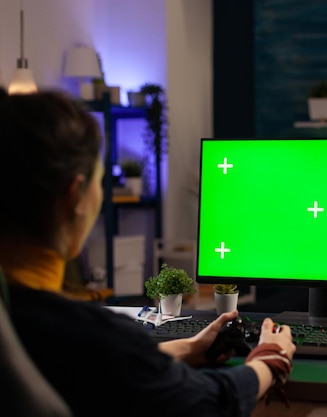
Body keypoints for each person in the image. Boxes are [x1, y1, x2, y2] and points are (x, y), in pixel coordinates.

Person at [0, 88, 296, 417]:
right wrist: (271, 358)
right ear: (74, 198)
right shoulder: (90, 335)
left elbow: (102, 368)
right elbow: (212, 403)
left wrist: (188, 347)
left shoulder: (21, 319)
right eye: (100, 181)